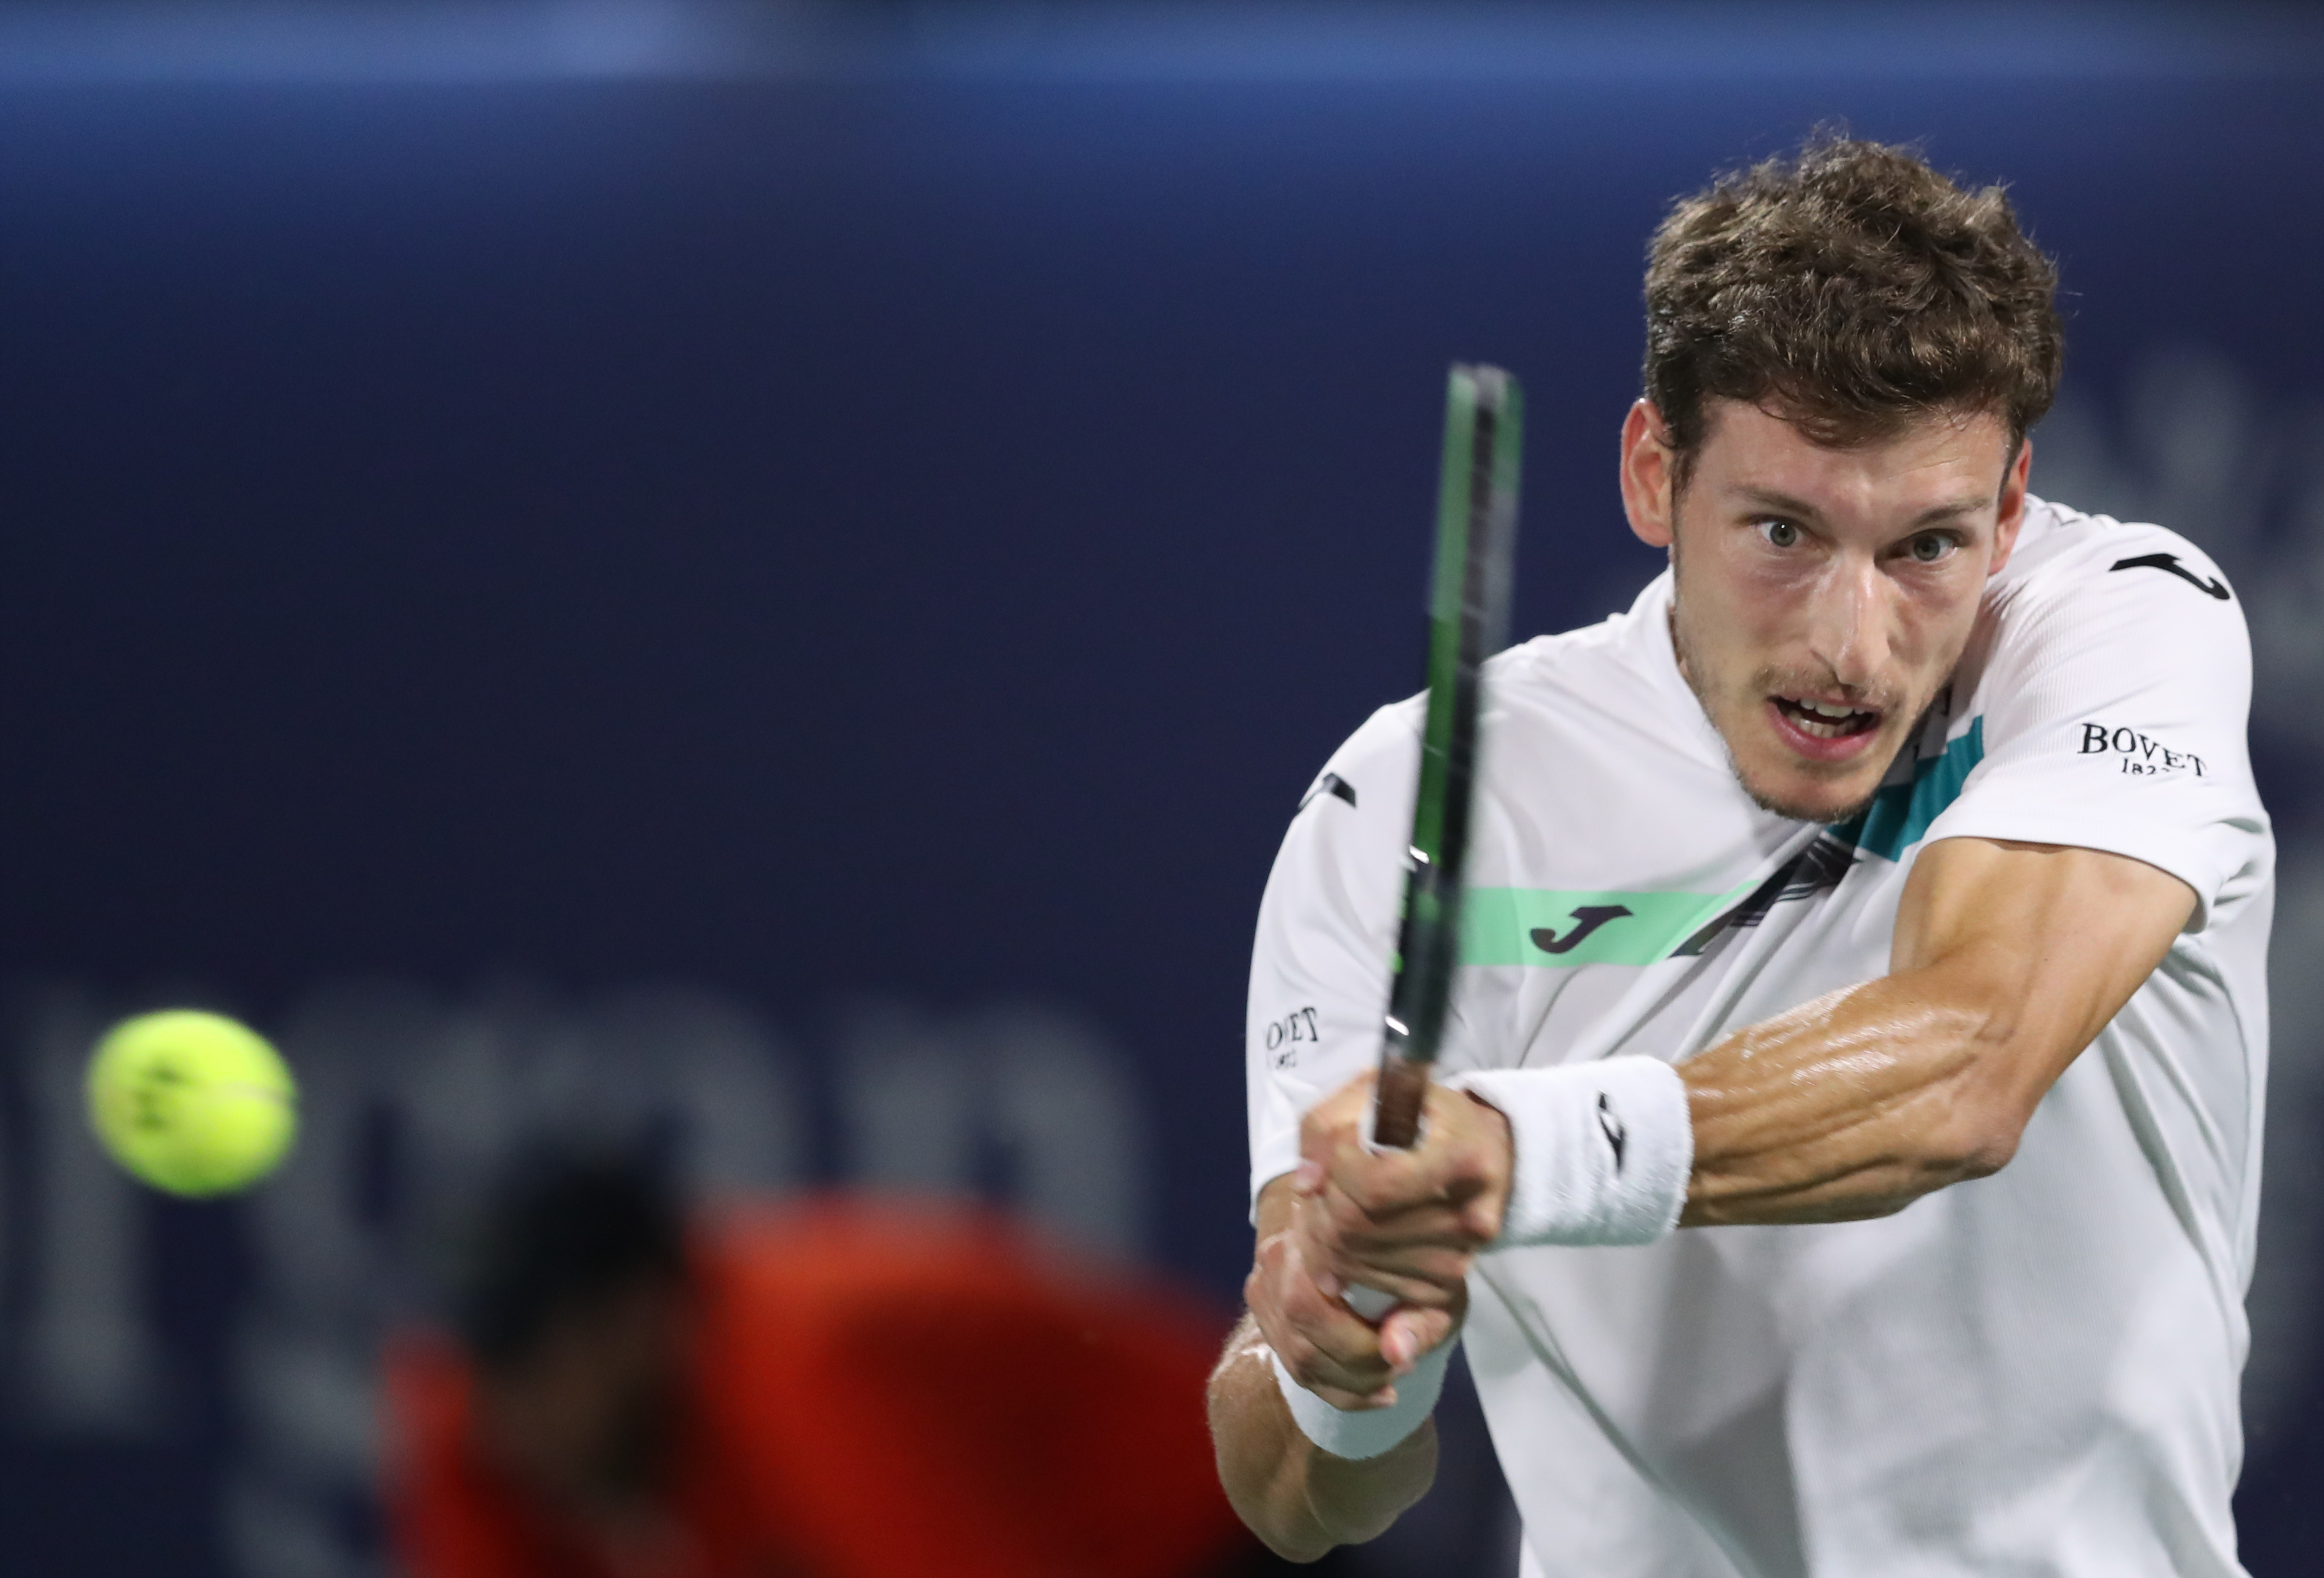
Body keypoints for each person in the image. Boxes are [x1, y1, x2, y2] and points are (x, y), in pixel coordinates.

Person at [1210, 134, 2271, 1578]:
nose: (1850, 642)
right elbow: (1298, 1493)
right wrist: (1344, 1347)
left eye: (1926, 547)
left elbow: (1967, 1064)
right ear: (1655, 476)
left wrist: (1513, 1152)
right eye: (1781, 530)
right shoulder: (1397, 801)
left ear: (2012, 507)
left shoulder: (2121, 623)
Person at [388, 1145, 1247, 1578]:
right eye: (486, 1362)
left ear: (639, 1318)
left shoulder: (808, 1371)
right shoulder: (466, 1418)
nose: (506, 1413)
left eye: (536, 1361)